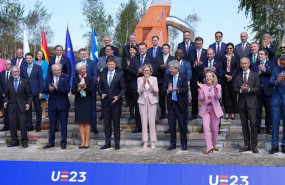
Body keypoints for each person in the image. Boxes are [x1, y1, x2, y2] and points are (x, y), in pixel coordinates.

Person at [98, 56, 126, 150]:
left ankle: (117, 143)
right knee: (106, 124)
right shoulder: (102, 74)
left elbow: (123, 88)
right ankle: (108, 142)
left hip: (116, 103)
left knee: (116, 123)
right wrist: (101, 94)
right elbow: (99, 87)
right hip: (105, 102)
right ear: (107, 65)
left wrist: (118, 96)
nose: (110, 66)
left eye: (112, 64)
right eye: (109, 64)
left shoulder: (119, 74)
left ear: (115, 65)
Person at [129, 42, 157, 133]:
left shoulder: (152, 59)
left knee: (148, 108)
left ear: (146, 49)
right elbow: (130, 70)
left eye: (143, 49)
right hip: (136, 86)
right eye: (140, 49)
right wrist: (137, 72)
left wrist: (145, 73)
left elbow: (155, 70)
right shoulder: (133, 59)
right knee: (137, 107)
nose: (141, 50)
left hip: (149, 87)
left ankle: (148, 126)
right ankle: (139, 126)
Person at [234, 57, 260, 153]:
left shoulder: (255, 75)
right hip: (241, 103)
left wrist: (249, 89)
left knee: (253, 124)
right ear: (240, 65)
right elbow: (234, 88)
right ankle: (246, 145)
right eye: (242, 64)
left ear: (249, 64)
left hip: (252, 103)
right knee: (244, 125)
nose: (244, 65)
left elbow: (258, 88)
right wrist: (241, 90)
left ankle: (254, 145)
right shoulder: (238, 76)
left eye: (245, 63)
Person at [43, 63, 70, 149]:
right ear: (52, 71)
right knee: (52, 124)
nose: (59, 71)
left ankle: (63, 142)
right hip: (52, 104)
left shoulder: (65, 77)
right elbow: (45, 90)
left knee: (63, 124)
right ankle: (51, 142)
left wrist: (57, 88)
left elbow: (67, 89)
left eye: (60, 70)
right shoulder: (48, 78)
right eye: (57, 70)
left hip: (63, 104)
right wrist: (49, 90)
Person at [4, 66, 32, 148]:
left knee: (23, 124)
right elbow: (6, 95)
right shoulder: (9, 82)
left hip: (22, 106)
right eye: (13, 72)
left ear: (19, 72)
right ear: (11, 73)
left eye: (16, 71)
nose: (15, 73)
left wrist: (28, 104)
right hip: (12, 107)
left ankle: (24, 141)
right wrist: (5, 101)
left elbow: (30, 95)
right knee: (12, 124)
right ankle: (14, 141)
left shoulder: (25, 81)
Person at [163, 60, 188, 151]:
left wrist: (177, 90)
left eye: (171, 68)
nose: (170, 70)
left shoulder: (183, 76)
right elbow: (163, 88)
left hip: (180, 105)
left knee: (182, 125)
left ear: (177, 69)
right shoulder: (167, 77)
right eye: (169, 68)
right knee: (172, 126)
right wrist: (168, 90)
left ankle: (184, 144)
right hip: (171, 105)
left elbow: (185, 88)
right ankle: (172, 143)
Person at [165, 49, 192, 133]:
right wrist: (174, 72)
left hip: (182, 90)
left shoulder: (187, 64)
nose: (178, 54)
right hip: (171, 89)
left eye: (180, 53)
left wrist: (180, 77)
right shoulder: (170, 63)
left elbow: (189, 76)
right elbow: (167, 73)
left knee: (184, 110)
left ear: (183, 54)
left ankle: (185, 126)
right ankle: (171, 127)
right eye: (176, 53)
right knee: (171, 110)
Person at [197, 71, 223, 154]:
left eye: (210, 76)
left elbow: (218, 96)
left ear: (213, 78)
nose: (208, 77)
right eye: (206, 76)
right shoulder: (203, 86)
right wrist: (201, 89)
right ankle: (209, 147)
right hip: (205, 109)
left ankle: (214, 144)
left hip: (215, 109)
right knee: (205, 127)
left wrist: (215, 89)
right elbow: (200, 98)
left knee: (215, 128)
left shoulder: (218, 86)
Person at [74, 48, 98, 133]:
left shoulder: (92, 63)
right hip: (79, 90)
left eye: (85, 53)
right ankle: (83, 126)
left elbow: (95, 75)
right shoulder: (76, 63)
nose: (84, 55)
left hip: (90, 90)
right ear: (79, 55)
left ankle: (94, 126)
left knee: (92, 108)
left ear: (88, 54)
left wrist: (89, 85)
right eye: (82, 53)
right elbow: (74, 77)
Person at [71, 62, 95, 149]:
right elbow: (73, 91)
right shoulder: (75, 79)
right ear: (78, 70)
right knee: (81, 122)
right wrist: (78, 89)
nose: (84, 70)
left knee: (87, 122)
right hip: (79, 102)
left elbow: (92, 90)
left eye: (85, 69)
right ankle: (82, 141)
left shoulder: (90, 78)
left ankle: (87, 141)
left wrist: (85, 87)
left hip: (87, 101)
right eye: (82, 69)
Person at [253, 49, 276, 134]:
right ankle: (257, 127)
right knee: (257, 110)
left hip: (268, 90)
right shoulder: (255, 65)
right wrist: (259, 71)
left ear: (266, 56)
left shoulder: (271, 64)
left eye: (261, 54)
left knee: (268, 110)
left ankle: (268, 127)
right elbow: (253, 75)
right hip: (258, 91)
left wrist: (265, 70)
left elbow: (273, 73)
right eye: (259, 54)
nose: (260, 56)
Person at [21, 53, 43, 132]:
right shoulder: (23, 68)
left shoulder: (38, 67)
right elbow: (22, 80)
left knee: (38, 110)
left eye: (30, 58)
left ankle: (38, 126)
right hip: (26, 93)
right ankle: (29, 125)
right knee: (28, 110)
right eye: (27, 58)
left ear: (32, 58)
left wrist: (41, 92)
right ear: (25, 59)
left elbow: (41, 80)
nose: (28, 59)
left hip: (36, 92)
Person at [137, 64, 158, 149]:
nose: (146, 72)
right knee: (144, 122)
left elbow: (156, 91)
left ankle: (152, 141)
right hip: (142, 101)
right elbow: (139, 91)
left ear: (150, 71)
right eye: (144, 70)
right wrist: (143, 84)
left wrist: (150, 84)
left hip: (152, 101)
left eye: (147, 71)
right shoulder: (139, 79)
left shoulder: (154, 79)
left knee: (152, 122)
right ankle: (145, 141)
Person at [268, 55, 285, 154]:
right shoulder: (275, 69)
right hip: (276, 100)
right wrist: (277, 81)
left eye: (284, 64)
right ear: (279, 62)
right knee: (275, 123)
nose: (283, 66)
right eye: (281, 64)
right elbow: (270, 83)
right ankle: (274, 145)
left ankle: (284, 144)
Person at [189, 37, 207, 120]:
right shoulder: (191, 52)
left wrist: (201, 65)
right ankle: (194, 113)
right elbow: (190, 64)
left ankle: (204, 113)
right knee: (194, 96)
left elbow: (207, 63)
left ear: (202, 43)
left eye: (200, 43)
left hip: (204, 77)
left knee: (205, 96)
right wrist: (195, 65)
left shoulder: (206, 52)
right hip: (194, 77)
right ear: (195, 44)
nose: (198, 45)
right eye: (197, 43)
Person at [220, 43, 239, 119]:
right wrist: (226, 75)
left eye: (231, 48)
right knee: (225, 97)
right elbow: (221, 68)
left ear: (233, 49)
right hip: (225, 79)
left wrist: (232, 76)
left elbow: (237, 68)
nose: (229, 50)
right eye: (228, 48)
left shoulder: (237, 57)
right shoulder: (223, 57)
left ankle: (233, 112)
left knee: (233, 97)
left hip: (233, 79)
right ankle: (227, 112)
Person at [156, 44, 175, 119]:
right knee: (161, 98)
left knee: (171, 98)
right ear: (161, 50)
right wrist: (161, 67)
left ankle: (171, 113)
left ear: (169, 49)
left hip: (170, 80)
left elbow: (175, 68)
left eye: (166, 48)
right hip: (161, 80)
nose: (165, 50)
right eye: (163, 48)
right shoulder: (158, 58)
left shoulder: (172, 58)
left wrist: (167, 67)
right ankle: (163, 113)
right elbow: (155, 68)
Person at [121, 45, 138, 120]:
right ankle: (131, 114)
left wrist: (131, 68)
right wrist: (128, 67)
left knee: (136, 98)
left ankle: (137, 114)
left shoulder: (138, 58)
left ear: (136, 51)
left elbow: (138, 69)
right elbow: (123, 68)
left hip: (136, 79)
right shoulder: (125, 59)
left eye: (133, 50)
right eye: (130, 50)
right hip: (127, 80)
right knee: (130, 97)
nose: (131, 51)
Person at [33, 51, 49, 119]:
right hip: (34, 83)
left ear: (43, 55)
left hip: (43, 82)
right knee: (36, 98)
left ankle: (43, 112)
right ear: (36, 55)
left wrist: (40, 79)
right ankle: (38, 113)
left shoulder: (45, 63)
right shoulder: (33, 62)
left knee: (43, 98)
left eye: (41, 54)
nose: (39, 55)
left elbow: (46, 73)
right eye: (38, 54)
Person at [0, 59, 12, 131]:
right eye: (7, 64)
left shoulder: (13, 73)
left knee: (12, 112)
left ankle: (12, 126)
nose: (9, 65)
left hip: (12, 96)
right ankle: (6, 125)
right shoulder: (1, 73)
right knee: (5, 111)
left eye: (10, 64)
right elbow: (0, 85)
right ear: (5, 65)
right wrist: (2, 93)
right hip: (4, 96)